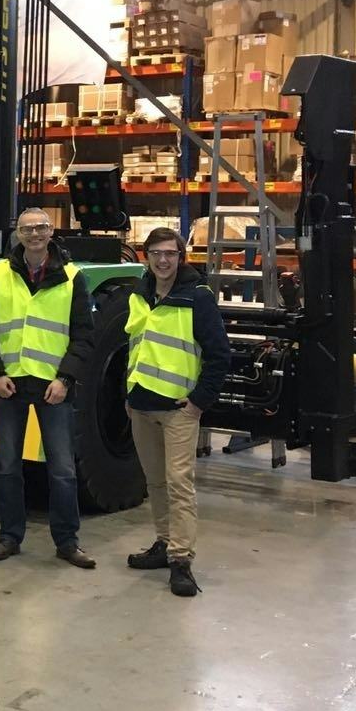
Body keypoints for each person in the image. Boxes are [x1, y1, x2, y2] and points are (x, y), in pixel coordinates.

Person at [0, 207, 96, 568]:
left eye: (41, 228)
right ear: (18, 233)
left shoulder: (72, 278)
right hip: (9, 384)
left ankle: (67, 541)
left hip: (52, 386)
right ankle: (9, 536)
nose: (35, 234)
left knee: (62, 469)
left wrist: (65, 379)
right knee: (7, 466)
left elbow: (83, 336)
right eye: (27, 229)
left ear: (51, 231)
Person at [123, 225, 231, 597]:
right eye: (156, 254)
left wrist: (199, 401)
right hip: (141, 405)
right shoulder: (140, 294)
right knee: (154, 482)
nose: (163, 260)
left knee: (179, 485)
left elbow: (219, 355)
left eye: (170, 253)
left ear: (180, 257)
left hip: (178, 411)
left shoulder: (197, 297)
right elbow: (136, 347)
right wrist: (129, 391)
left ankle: (181, 560)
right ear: (146, 257)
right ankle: (164, 542)